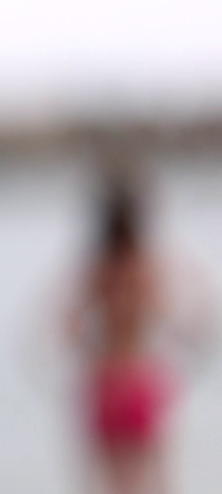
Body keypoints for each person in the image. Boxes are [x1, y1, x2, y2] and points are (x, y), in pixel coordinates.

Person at [65, 160, 213, 494]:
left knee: (110, 486)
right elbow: (186, 319)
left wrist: (90, 347)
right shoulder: (148, 267)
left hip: (105, 381)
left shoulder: (97, 269)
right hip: (141, 379)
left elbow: (69, 328)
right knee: (156, 484)